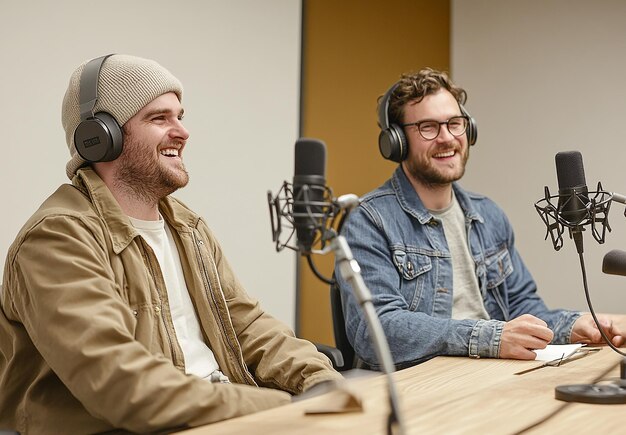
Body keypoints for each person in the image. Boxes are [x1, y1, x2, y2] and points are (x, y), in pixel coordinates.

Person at [0, 54, 342, 434]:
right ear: (99, 138)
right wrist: (284, 408)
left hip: (219, 415)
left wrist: (323, 386)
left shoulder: (187, 227)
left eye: (180, 116)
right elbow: (120, 384)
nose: (182, 131)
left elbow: (248, 326)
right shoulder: (57, 238)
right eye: (159, 118)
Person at [334, 67, 625, 370]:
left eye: (455, 124)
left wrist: (570, 325)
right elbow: (376, 330)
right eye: (428, 127)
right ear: (396, 141)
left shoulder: (488, 214)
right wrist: (491, 337)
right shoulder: (369, 220)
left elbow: (521, 305)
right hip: (417, 384)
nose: (447, 138)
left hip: (489, 373)